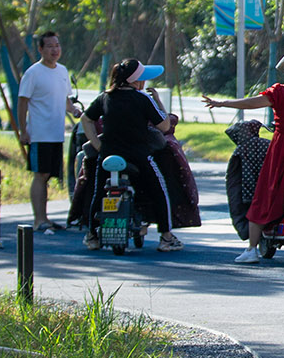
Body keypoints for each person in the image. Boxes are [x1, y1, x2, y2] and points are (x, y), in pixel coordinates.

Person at [203, 49, 284, 264]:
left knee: (265, 195)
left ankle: (252, 249)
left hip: (282, 152)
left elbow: (251, 103)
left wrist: (223, 103)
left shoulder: (280, 94)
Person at [80, 59, 183, 251]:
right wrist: (159, 102)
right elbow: (165, 126)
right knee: (159, 190)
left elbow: (86, 119)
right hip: (139, 156)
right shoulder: (142, 99)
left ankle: (92, 235)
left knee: (98, 192)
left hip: (108, 156)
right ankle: (166, 237)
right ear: (137, 82)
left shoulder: (105, 97)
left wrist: (98, 145)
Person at [17, 31, 81, 233]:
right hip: (39, 133)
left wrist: (75, 110)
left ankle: (46, 218)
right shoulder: (33, 73)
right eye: (50, 46)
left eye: (57, 45)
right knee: (40, 174)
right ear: (41, 49)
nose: (55, 50)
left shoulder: (62, 71)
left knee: (49, 176)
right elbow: (22, 102)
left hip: (56, 133)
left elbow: (65, 100)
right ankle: (39, 219)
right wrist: (23, 130)